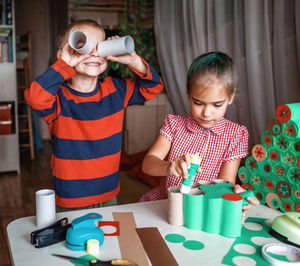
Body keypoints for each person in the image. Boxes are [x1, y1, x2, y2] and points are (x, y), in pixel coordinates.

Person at [25, 19, 163, 211]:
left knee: (107, 239)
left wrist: (134, 61)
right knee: (73, 240)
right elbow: (34, 98)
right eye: (83, 46)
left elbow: (154, 87)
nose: (94, 52)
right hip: (72, 197)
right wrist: (64, 64)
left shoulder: (116, 90)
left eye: (101, 47)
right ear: (64, 54)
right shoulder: (58, 99)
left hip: (108, 193)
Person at [140, 51, 258, 222]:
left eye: (217, 104)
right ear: (188, 94)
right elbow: (148, 164)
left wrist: (235, 196)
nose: (206, 113)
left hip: (204, 211)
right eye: (198, 103)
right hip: (165, 206)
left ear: (230, 97)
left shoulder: (236, 135)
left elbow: (225, 184)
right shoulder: (174, 125)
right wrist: (169, 167)